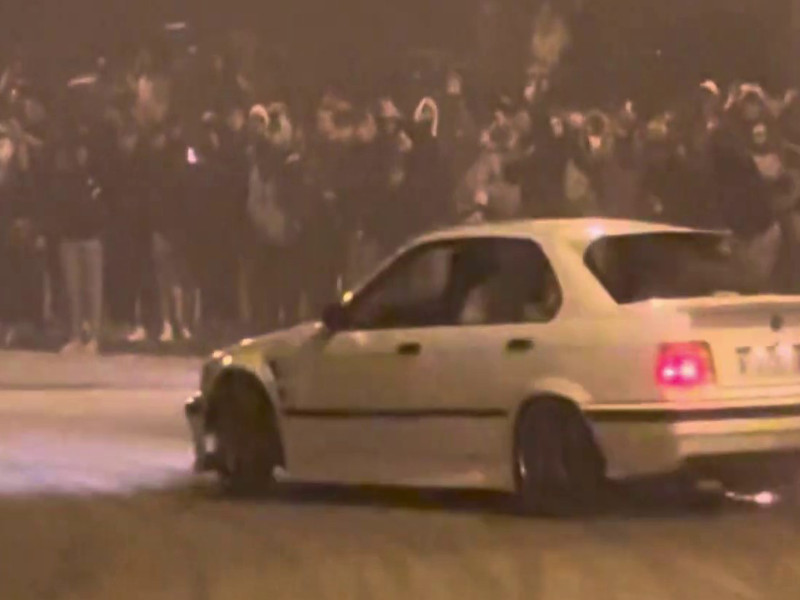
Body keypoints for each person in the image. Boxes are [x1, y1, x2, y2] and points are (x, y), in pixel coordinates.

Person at [50, 130, 106, 354]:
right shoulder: (67, 178)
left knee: (93, 289)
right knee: (73, 290)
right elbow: (60, 205)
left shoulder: (95, 177)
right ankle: (75, 334)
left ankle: (94, 336)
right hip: (70, 237)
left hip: (91, 237)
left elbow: (102, 206)